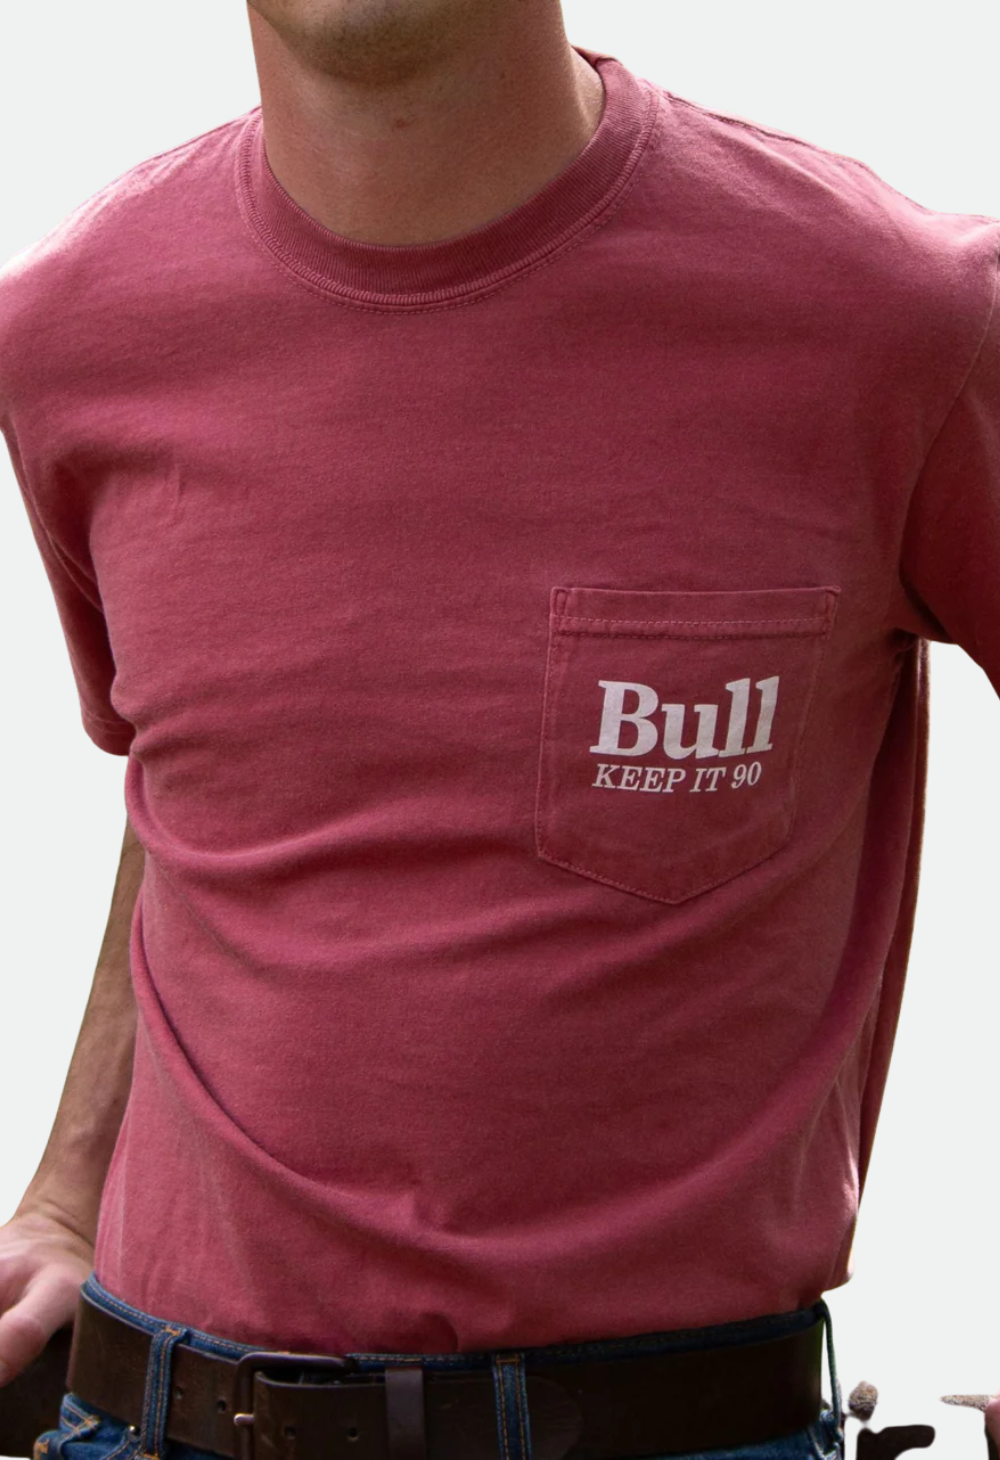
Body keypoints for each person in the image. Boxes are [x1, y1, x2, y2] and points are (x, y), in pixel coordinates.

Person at [1, 2, 998, 1458]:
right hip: (154, 1414)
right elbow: (206, 783)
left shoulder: (891, 318)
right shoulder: (71, 328)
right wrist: (65, 1194)